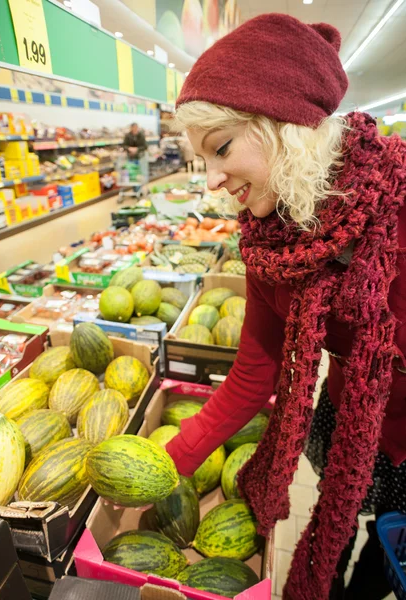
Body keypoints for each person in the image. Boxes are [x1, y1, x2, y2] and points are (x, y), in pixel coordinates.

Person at [165, 13, 406, 600]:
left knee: (388, 547)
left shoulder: (397, 205)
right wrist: (174, 456)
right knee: (337, 510)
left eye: (220, 148)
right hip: (347, 410)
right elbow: (255, 369)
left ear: (284, 125)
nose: (213, 181)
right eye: (203, 161)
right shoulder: (270, 245)